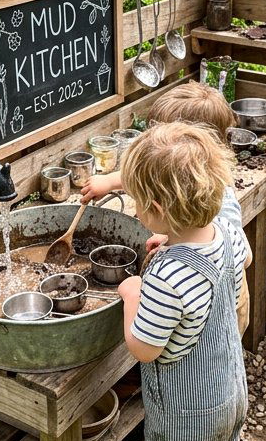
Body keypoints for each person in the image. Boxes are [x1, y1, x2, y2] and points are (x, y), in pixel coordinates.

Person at [117, 122, 251, 441]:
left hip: (187, 410)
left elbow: (144, 347)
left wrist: (132, 293)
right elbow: (221, 276)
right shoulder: (226, 235)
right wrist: (172, 242)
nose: (134, 209)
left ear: (158, 210)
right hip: (230, 389)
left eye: (136, 201)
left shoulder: (169, 278)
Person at [80, 81, 251, 334]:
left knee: (212, 357)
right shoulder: (193, 184)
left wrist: (132, 298)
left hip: (219, 313)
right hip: (193, 310)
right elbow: (154, 178)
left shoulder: (221, 199)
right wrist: (109, 181)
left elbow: (243, 255)